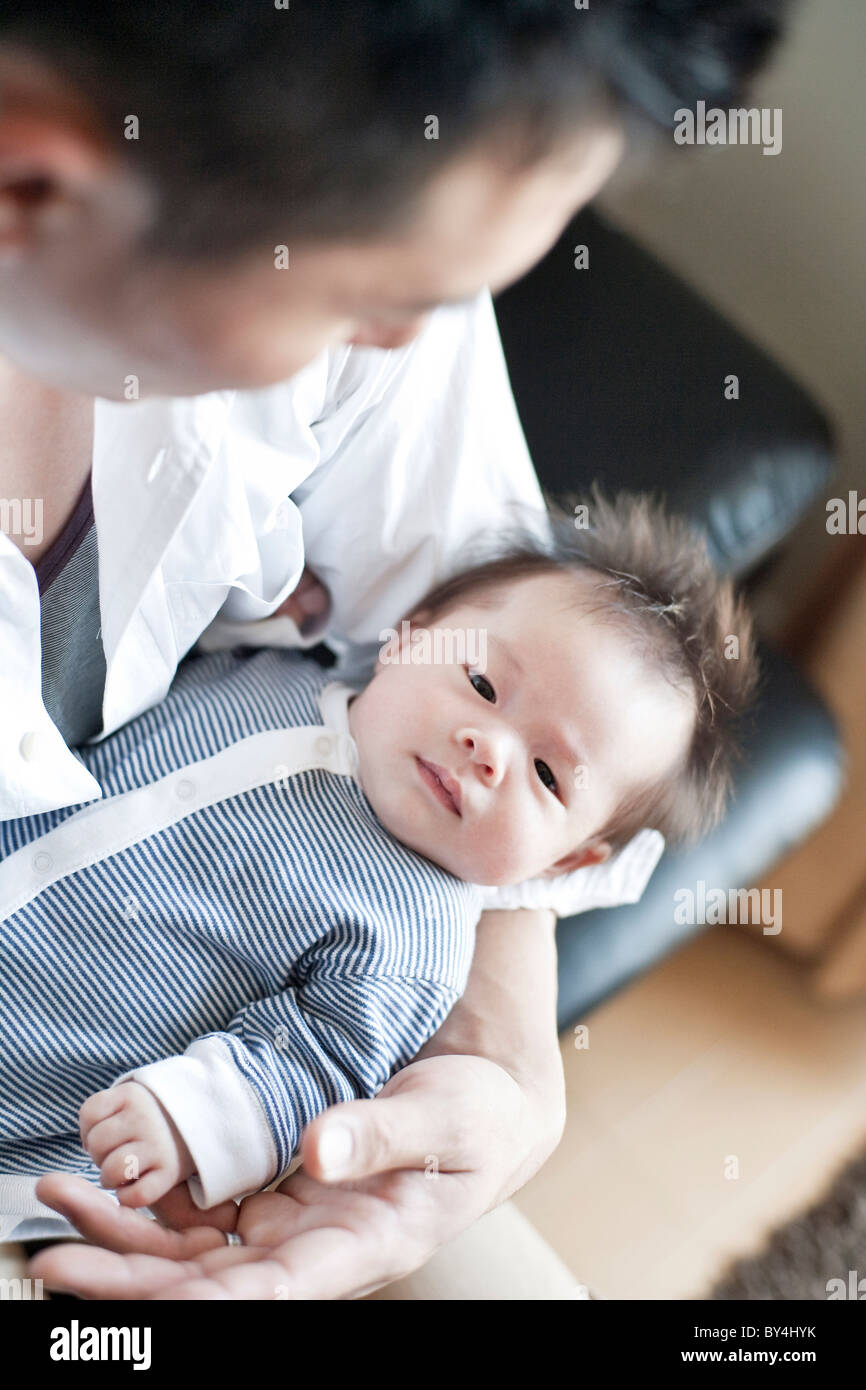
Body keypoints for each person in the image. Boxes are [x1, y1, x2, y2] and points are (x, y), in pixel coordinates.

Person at [0, 2, 784, 1297]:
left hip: (94, 1137)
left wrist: (508, 1074)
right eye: (375, 297)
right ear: (33, 181)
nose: (410, 347)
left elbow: (495, 606)